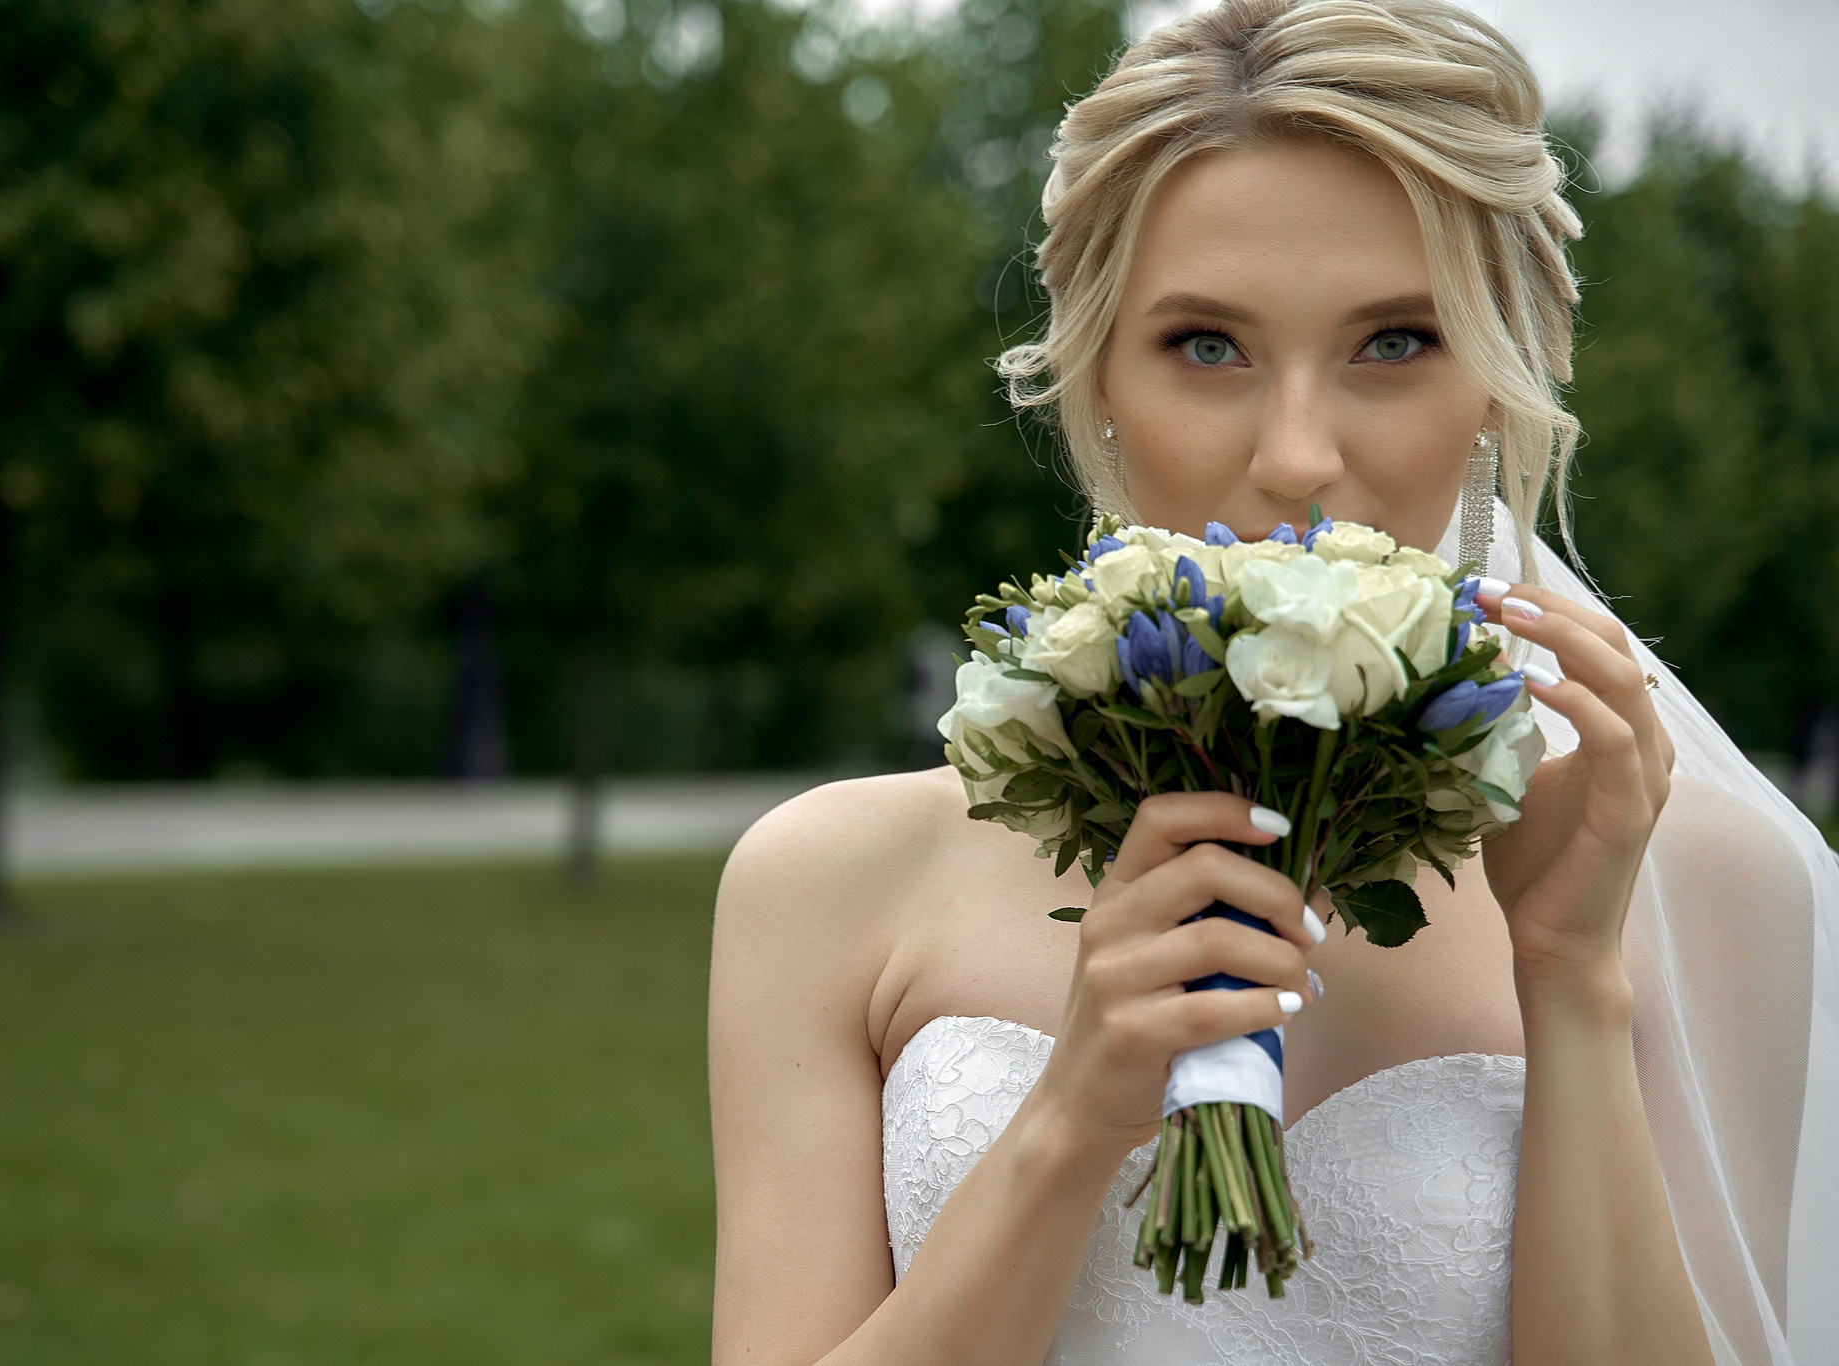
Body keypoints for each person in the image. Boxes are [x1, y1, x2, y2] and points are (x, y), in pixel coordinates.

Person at [707, 2, 1838, 1363]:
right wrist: (1072, 1115)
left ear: (1495, 384)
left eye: (1395, 342)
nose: (1298, 455)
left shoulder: (1698, 881)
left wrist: (1575, 976)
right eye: (1206, 344)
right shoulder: (826, 880)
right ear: (1100, 375)